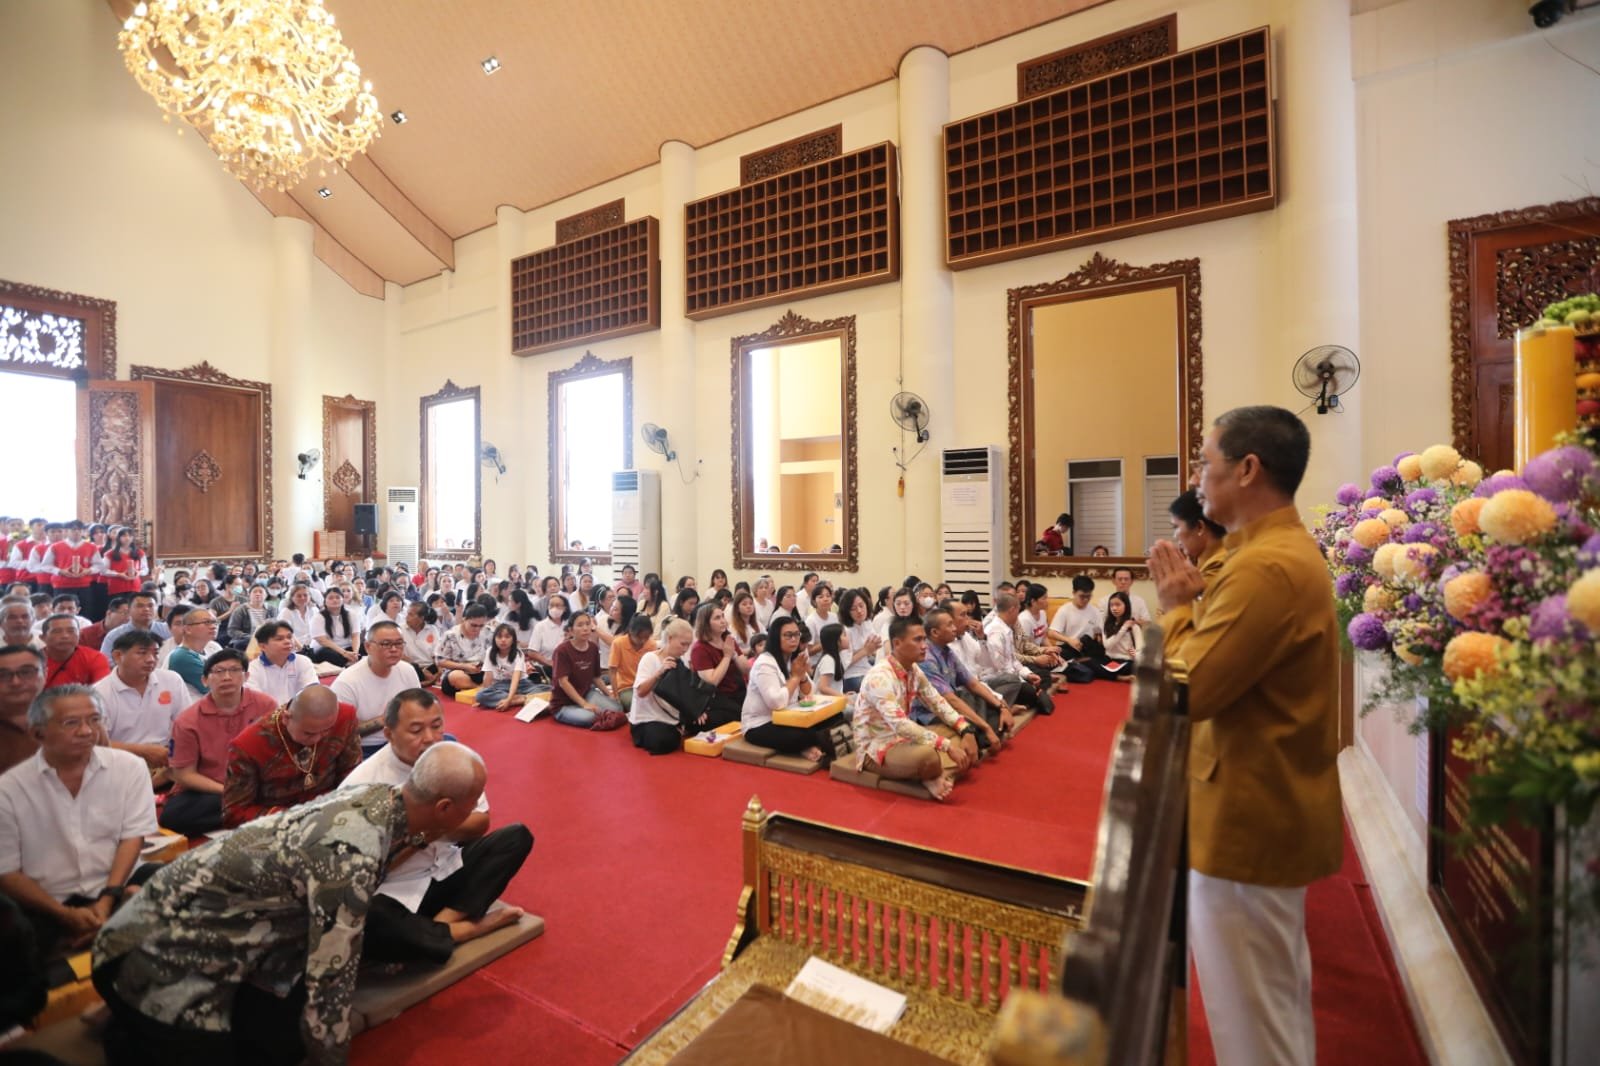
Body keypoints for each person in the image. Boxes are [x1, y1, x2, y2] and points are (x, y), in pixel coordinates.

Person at [93, 742, 496, 1066]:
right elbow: (330, 980)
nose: (477, 811)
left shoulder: (376, 798)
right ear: (444, 808)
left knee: (278, 1044)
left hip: (217, 931)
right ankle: (128, 1024)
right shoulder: (352, 855)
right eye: (472, 803)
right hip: (150, 951)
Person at [1146, 405, 1340, 1066]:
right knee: (1269, 1010)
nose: (1197, 478)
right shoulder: (1258, 554)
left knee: (1254, 1029)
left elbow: (1188, 690)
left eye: (1206, 462)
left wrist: (1176, 610)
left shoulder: (1266, 568)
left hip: (1247, 816)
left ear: (1248, 468)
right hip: (1252, 803)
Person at [341, 694, 531, 965]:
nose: (430, 738)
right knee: (365, 923)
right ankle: (469, 929)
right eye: (416, 730)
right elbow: (358, 874)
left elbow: (480, 823)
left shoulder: (451, 759)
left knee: (516, 838)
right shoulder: (362, 785)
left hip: (445, 866)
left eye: (437, 726)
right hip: (394, 889)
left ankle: (443, 925)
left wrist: (432, 827)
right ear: (389, 733)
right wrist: (421, 835)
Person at [0, 686, 159, 955]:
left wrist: (107, 901)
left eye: (94, 720)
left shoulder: (129, 768)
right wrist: (65, 915)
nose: (86, 731)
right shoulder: (9, 789)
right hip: (48, 899)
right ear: (38, 733)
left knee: (179, 884)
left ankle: (115, 921)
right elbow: (7, 872)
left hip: (116, 884)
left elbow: (132, 838)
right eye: (71, 723)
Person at [854, 618, 973, 801]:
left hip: (904, 739)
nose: (924, 646)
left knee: (958, 735)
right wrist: (947, 746)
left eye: (924, 639)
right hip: (878, 748)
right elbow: (901, 725)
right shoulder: (879, 678)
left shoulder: (914, 670)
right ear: (897, 643)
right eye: (917, 640)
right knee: (928, 756)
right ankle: (936, 772)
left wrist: (965, 729)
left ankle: (935, 775)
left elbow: (937, 703)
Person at [162, 650, 277, 836]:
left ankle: (246, 812)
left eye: (234, 670)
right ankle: (254, 813)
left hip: (255, 782)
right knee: (173, 817)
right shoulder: (187, 721)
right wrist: (227, 791)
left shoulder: (266, 705)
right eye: (219, 671)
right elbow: (184, 775)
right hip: (211, 789)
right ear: (204, 680)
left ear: (246, 676)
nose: (227, 677)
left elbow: (276, 751)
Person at [221, 686, 360, 828]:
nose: (317, 739)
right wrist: (292, 817)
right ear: (286, 718)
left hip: (333, 809)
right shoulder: (248, 745)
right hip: (278, 823)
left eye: (326, 731)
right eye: (308, 733)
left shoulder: (345, 717)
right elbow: (234, 813)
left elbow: (352, 774)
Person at [94, 629, 191, 773]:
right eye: (142, 653)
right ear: (118, 656)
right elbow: (96, 744)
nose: (151, 659)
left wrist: (172, 754)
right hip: (119, 763)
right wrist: (143, 751)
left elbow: (186, 725)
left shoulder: (171, 680)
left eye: (155, 653)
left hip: (166, 758)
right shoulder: (99, 693)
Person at [919, 606, 1013, 750]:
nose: (954, 628)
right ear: (935, 632)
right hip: (934, 712)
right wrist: (986, 727)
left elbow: (972, 683)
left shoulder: (946, 650)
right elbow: (949, 700)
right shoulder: (927, 658)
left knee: (983, 696)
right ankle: (984, 732)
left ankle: (986, 729)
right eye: (950, 625)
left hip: (956, 698)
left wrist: (1001, 706)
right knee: (972, 702)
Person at [740, 617, 825, 762]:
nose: (794, 639)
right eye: (788, 635)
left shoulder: (793, 658)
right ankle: (809, 746)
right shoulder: (765, 663)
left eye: (796, 634)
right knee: (806, 735)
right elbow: (776, 703)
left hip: (789, 717)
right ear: (775, 637)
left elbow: (810, 693)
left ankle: (811, 745)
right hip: (761, 723)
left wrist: (802, 677)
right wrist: (795, 677)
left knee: (834, 719)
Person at [331, 620, 421, 752]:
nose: (394, 649)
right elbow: (339, 734)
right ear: (368, 647)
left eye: (398, 643)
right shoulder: (347, 682)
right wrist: (385, 719)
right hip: (365, 747)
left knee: (447, 742)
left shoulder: (407, 670)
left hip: (402, 738)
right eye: (386, 644)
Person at [549, 612, 624, 729]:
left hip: (586, 694)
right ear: (571, 630)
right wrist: (584, 704)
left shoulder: (593, 648)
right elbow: (563, 682)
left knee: (618, 708)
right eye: (580, 625)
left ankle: (589, 710)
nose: (585, 628)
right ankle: (573, 712)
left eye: (588, 624)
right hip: (563, 703)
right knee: (591, 717)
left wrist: (609, 694)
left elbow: (596, 678)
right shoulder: (562, 651)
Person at [628, 618, 693, 755]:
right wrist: (659, 673)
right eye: (683, 644)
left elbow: (686, 693)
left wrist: (697, 710)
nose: (685, 649)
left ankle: (679, 728)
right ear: (670, 638)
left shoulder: (682, 661)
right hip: (648, 719)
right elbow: (641, 692)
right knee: (661, 741)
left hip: (673, 715)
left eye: (688, 645)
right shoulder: (650, 658)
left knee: (710, 720)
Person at [982, 593, 1054, 716]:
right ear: (1012, 610)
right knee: (1030, 691)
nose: (1018, 614)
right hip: (998, 680)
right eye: (1018, 610)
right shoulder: (995, 632)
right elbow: (1001, 670)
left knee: (1038, 679)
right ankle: (1007, 707)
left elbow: (1013, 659)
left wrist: (1028, 674)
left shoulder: (1006, 628)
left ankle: (1025, 700)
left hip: (1010, 676)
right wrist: (1023, 680)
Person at [688, 603, 748, 728]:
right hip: (716, 697)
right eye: (717, 618)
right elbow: (712, 681)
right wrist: (727, 656)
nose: (723, 621)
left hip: (737, 691)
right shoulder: (699, 649)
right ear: (706, 623)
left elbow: (746, 670)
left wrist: (734, 655)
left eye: (723, 616)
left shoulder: (728, 640)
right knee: (741, 716)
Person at [246, 619, 320, 706]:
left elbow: (312, 691)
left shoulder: (303, 661)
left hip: (298, 711)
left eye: (289, 637)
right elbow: (255, 702)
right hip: (268, 712)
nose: (287, 641)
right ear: (263, 646)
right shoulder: (252, 669)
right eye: (279, 639)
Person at [1170, 488, 1230, 590]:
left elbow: (1192, 599)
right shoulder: (1205, 562)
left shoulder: (1217, 566)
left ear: (1199, 527)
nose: (1175, 536)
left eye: (1176, 527)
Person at [0, 644, 46, 773]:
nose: (16, 682)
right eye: (3, 675)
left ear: (45, 673)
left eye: (26, 672)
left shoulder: (68, 717)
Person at [476, 623, 541, 710]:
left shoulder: (518, 653)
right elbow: (488, 676)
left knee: (547, 690)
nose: (503, 640)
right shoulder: (490, 651)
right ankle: (522, 698)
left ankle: (515, 700)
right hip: (501, 685)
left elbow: (515, 678)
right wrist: (483, 695)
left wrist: (509, 700)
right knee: (480, 695)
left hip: (521, 684)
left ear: (513, 639)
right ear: (494, 639)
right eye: (499, 637)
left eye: (507, 637)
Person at [41, 612, 110, 689]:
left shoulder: (95, 658)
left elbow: (103, 690)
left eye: (71, 631)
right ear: (43, 637)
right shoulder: (34, 660)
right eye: (57, 631)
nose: (65, 636)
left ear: (80, 634)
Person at [166, 605, 222, 700]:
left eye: (215, 622)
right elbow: (216, 687)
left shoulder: (213, 647)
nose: (213, 626)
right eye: (207, 622)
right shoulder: (181, 656)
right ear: (188, 629)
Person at [436, 604, 492, 699]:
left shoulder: (488, 632)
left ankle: (481, 689)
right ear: (464, 619)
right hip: (459, 673)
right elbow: (440, 661)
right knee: (455, 676)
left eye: (481, 626)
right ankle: (480, 689)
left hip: (481, 672)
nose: (477, 629)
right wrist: (464, 666)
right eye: (473, 625)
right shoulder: (451, 635)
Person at [608, 612, 656, 712]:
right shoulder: (618, 643)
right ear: (630, 632)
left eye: (646, 638)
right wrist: (616, 696)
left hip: (645, 687)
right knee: (637, 706)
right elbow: (612, 672)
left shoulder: (651, 645)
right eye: (639, 637)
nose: (643, 641)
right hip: (626, 687)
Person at [98, 591, 169, 658]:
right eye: (140, 606)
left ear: (157, 608)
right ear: (129, 610)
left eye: (150, 606)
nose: (146, 609)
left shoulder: (167, 630)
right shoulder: (115, 635)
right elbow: (106, 660)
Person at [1048, 575, 1104, 658]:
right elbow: (1051, 633)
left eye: (1088, 596)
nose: (1086, 599)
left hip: (1086, 649)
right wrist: (1069, 640)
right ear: (1074, 593)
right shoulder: (1065, 609)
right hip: (1067, 648)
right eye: (1082, 596)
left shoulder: (1095, 611)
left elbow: (1100, 632)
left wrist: (1100, 637)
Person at [309, 586, 362, 666]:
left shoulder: (352, 615)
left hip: (347, 647)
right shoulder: (318, 617)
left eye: (338, 597)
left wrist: (355, 653)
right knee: (327, 654)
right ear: (325, 601)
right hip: (328, 648)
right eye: (330, 598)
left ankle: (352, 661)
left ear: (342, 599)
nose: (335, 600)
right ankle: (348, 664)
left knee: (366, 647)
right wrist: (344, 653)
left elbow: (356, 636)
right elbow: (323, 641)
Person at [1096, 592, 1142, 681]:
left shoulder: (1134, 626)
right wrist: (1123, 628)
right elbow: (1108, 646)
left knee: (1133, 667)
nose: (1114, 608)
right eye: (1111, 605)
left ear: (1126, 606)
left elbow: (1140, 650)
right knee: (1089, 663)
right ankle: (1119, 677)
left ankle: (1111, 675)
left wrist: (1136, 654)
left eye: (1118, 605)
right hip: (1109, 660)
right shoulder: (1106, 624)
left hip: (1125, 662)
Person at [399, 600, 441, 686]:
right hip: (411, 666)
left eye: (410, 615)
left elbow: (437, 654)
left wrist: (440, 670)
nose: (406, 617)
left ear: (421, 618)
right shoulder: (400, 630)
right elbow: (400, 655)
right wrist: (421, 671)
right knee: (411, 668)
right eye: (407, 614)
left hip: (429, 666)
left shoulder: (432, 629)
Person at [79, 593, 130, 658]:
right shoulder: (86, 634)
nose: (128, 618)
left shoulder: (132, 633)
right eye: (125, 613)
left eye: (131, 614)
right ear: (109, 613)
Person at [225, 584, 272, 650]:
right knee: (240, 645)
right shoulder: (240, 610)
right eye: (255, 592)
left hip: (266, 639)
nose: (258, 594)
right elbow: (232, 630)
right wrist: (250, 637)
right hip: (246, 639)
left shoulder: (272, 610)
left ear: (266, 595)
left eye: (261, 592)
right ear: (249, 594)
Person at [277, 582, 319, 652]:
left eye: (305, 595)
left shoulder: (314, 610)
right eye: (299, 596)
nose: (302, 598)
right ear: (292, 598)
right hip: (294, 647)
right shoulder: (286, 612)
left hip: (313, 645)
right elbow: (287, 633)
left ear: (310, 597)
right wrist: (302, 649)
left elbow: (318, 631)